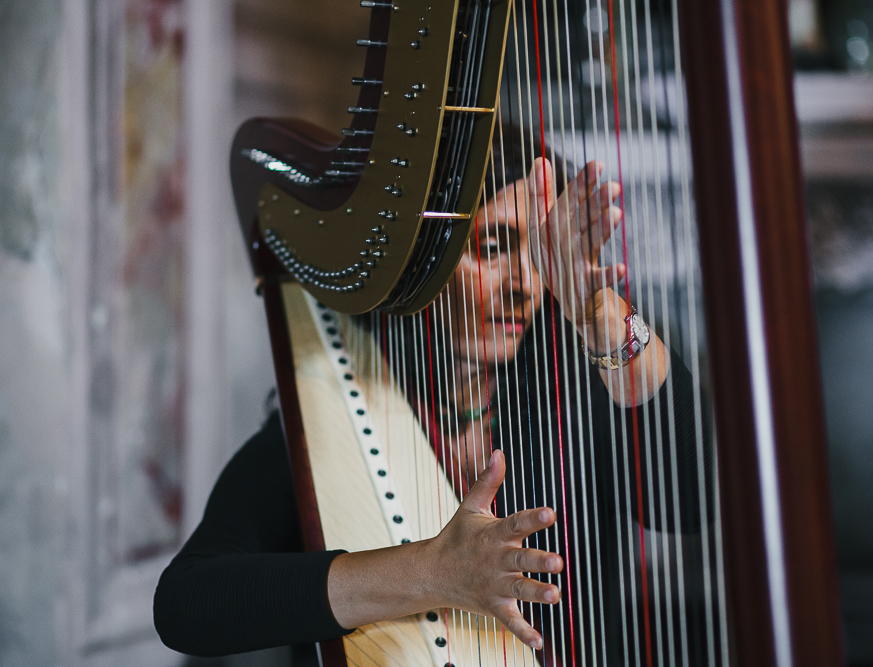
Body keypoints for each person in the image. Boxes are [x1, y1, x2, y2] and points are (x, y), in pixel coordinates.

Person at [154, 130, 714, 665]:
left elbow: (694, 502)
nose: (523, 283)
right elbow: (188, 603)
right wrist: (431, 572)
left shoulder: (577, 388)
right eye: (493, 247)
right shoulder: (342, 413)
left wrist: (599, 314)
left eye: (539, 254)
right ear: (422, 262)